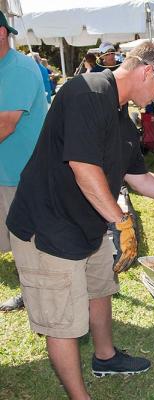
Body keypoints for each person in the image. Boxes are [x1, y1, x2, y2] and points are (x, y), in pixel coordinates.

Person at [5, 41, 154, 399]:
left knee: (100, 289)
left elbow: (138, 176)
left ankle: (104, 358)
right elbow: (82, 166)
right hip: (47, 226)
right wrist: (120, 219)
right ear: (145, 71)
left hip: (86, 222)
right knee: (63, 321)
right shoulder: (86, 92)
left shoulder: (122, 115)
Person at [0, 12, 47, 312]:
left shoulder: (18, 68)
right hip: (7, 175)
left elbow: (5, 124)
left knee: (27, 244)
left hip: (22, 177)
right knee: (20, 245)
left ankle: (41, 303)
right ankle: (33, 295)